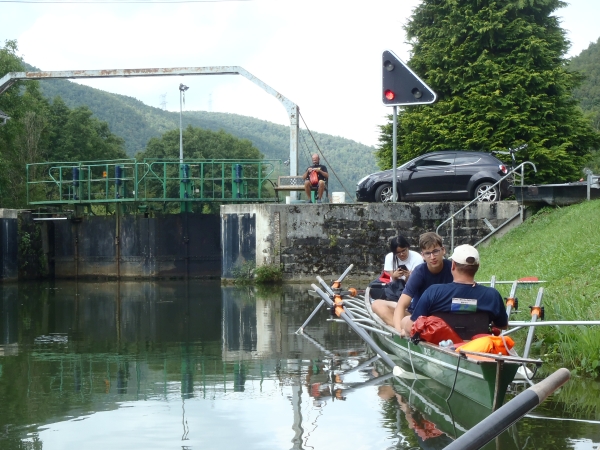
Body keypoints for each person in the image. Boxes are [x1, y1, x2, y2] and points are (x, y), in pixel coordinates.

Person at [400, 244, 508, 336]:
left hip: (441, 345)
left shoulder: (433, 292)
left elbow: (412, 327)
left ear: (453, 265)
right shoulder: (492, 295)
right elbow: (503, 325)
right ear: (478, 266)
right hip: (477, 347)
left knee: (406, 321)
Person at [372, 232, 453, 329]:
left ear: (443, 250)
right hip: (418, 316)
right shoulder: (419, 272)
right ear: (423, 255)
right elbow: (402, 305)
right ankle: (410, 331)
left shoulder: (453, 268)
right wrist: (399, 331)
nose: (432, 257)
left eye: (435, 251)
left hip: (445, 315)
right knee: (377, 304)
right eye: (428, 253)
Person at [372, 235, 422, 301]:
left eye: (403, 251)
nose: (401, 254)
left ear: (407, 247)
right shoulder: (390, 257)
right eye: (398, 253)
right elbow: (390, 280)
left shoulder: (417, 258)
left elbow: (415, 283)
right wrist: (394, 276)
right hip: (394, 285)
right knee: (373, 286)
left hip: (409, 287)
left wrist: (408, 277)